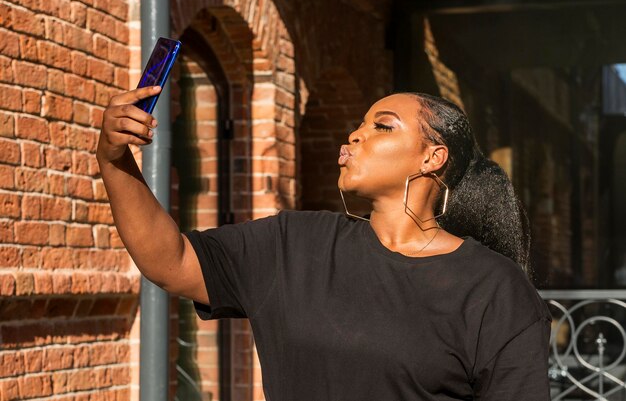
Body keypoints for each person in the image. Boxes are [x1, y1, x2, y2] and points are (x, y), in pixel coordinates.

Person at [97, 87, 552, 400]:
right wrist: (113, 160)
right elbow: (169, 260)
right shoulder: (294, 244)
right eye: (359, 124)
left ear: (433, 158)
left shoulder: (493, 288)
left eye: (383, 127)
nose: (356, 135)